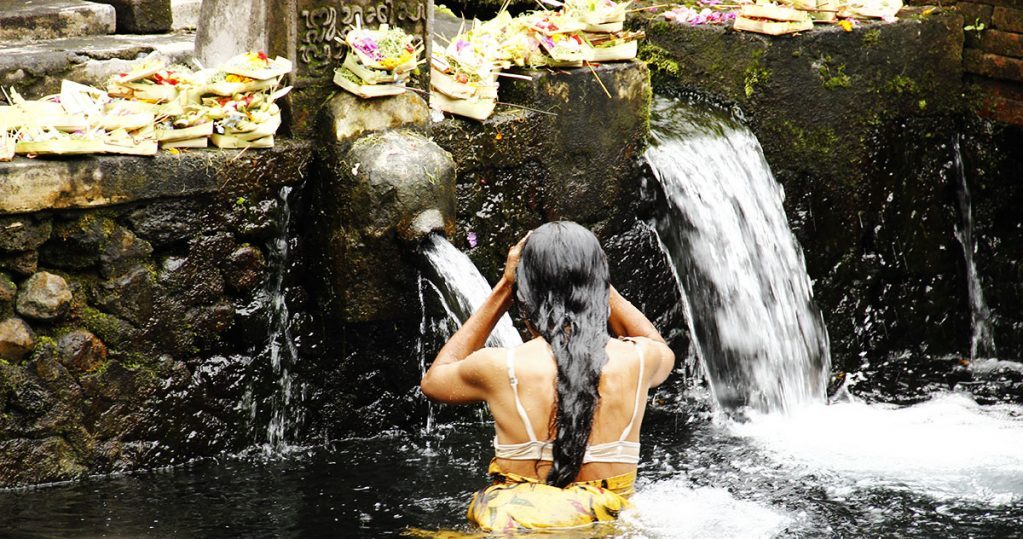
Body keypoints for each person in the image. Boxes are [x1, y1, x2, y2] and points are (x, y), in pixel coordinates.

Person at [420, 221, 675, 532]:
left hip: (515, 527)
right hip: (606, 527)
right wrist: (599, 282)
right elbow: (660, 346)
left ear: (525, 290)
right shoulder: (639, 359)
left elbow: (434, 382)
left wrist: (504, 287)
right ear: (598, 283)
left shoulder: (500, 367)